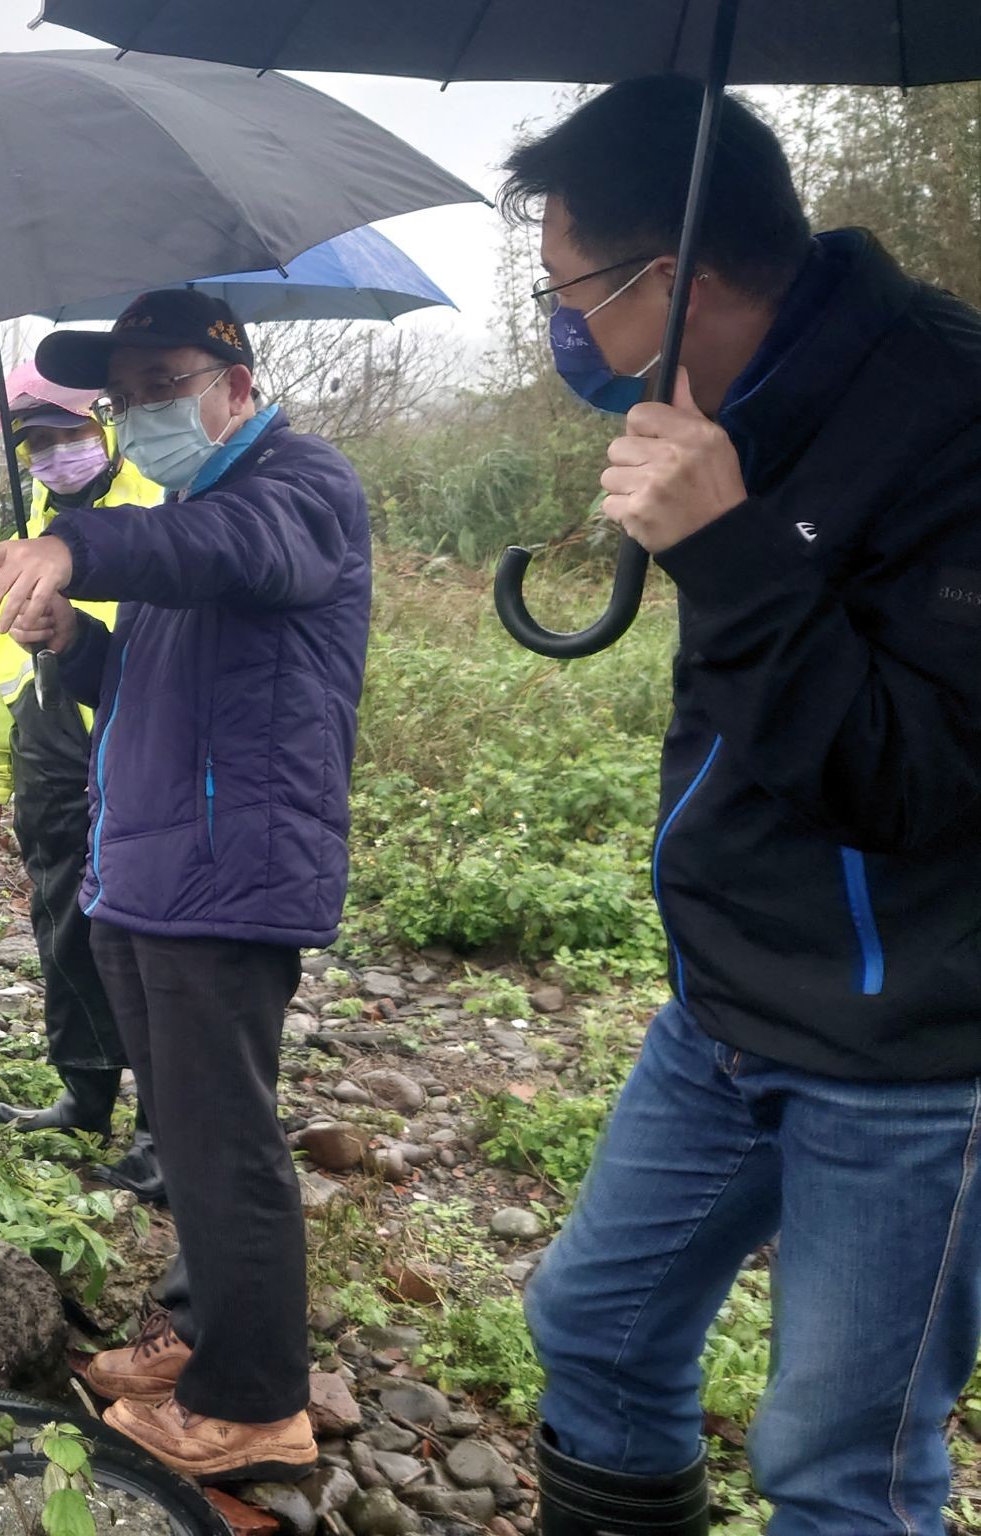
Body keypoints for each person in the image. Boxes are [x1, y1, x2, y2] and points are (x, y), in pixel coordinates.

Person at [494, 78, 981, 1536]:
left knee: (837, 1467)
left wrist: (731, 545)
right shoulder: (727, 405)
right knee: (593, 1331)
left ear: (674, 276)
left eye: (566, 291)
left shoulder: (946, 416)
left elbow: (918, 779)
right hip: (725, 1007)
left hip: (905, 1054)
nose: (560, 328)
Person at [0, 288, 371, 1483]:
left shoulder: (297, 489)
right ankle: (198, 1328)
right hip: (143, 872)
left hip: (224, 875)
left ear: (237, 386)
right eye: (123, 396)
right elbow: (143, 680)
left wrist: (78, 542)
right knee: (181, 1128)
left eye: (163, 386)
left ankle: (252, 1405)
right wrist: (71, 641)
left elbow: (242, 557)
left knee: (226, 1136)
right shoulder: (191, 508)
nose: (140, 414)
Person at [0, 363, 162, 1185]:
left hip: (131, 756)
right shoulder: (26, 534)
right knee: (63, 929)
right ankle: (84, 1093)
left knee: (142, 942)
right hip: (48, 766)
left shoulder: (158, 516)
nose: (56, 454)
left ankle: (161, 1127)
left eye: (70, 434)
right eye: (38, 442)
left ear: (107, 427)